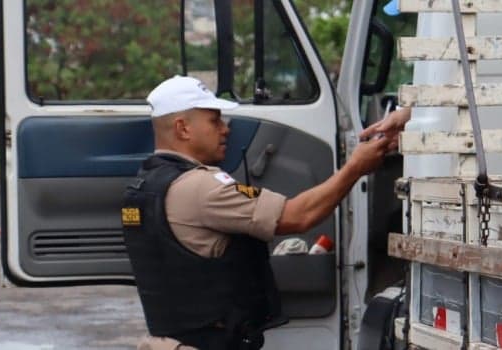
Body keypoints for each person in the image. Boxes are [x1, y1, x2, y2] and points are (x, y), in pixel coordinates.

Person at [122, 76, 409, 350]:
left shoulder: (145, 185)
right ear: (183, 128)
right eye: (214, 120)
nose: (225, 128)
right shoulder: (200, 187)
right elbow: (299, 216)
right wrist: (355, 167)